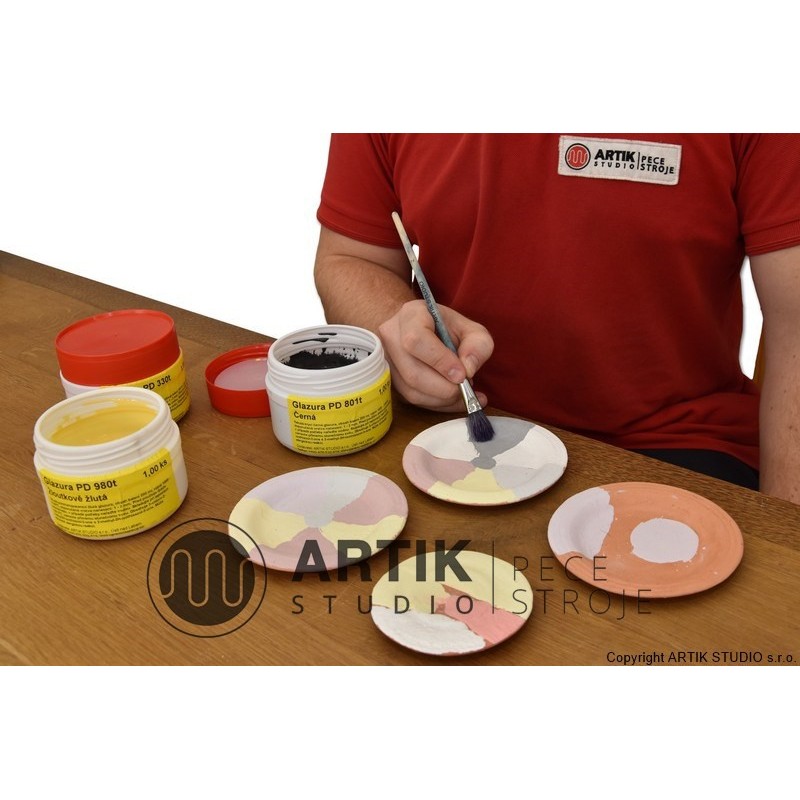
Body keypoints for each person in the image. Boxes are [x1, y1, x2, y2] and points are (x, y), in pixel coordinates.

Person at [313, 134, 800, 505]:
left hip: (671, 447)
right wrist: (398, 330)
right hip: (448, 427)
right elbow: (349, 259)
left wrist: (787, 551)